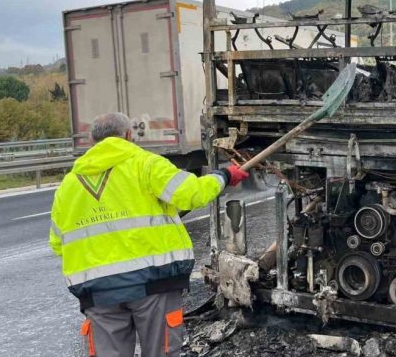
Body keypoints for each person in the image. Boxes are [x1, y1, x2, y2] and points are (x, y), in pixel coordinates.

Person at [49, 112, 249, 356]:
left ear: (93, 141)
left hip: (97, 292)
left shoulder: (68, 185)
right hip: (153, 283)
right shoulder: (145, 164)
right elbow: (191, 193)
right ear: (128, 135)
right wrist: (225, 176)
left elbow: (58, 243)